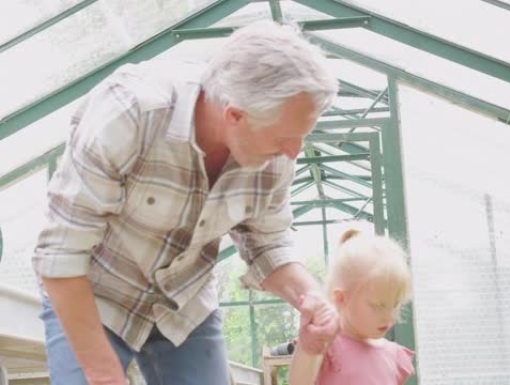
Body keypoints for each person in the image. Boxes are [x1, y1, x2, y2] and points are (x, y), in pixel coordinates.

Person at [32, 21, 339, 385]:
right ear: (235, 116)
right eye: (285, 138)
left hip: (184, 305)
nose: (294, 152)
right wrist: (104, 375)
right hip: (95, 294)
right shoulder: (130, 113)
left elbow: (267, 245)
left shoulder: (276, 157)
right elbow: (59, 255)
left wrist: (312, 299)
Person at [288, 229, 415, 385]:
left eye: (395, 305)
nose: (389, 317)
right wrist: (310, 345)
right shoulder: (326, 345)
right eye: (378, 306)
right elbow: (298, 382)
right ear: (341, 299)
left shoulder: (393, 356)